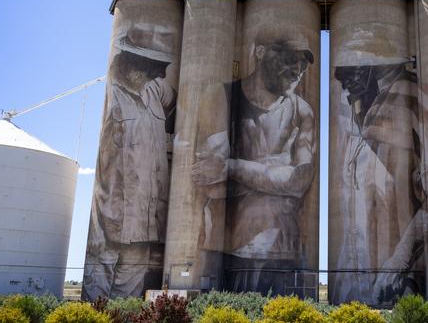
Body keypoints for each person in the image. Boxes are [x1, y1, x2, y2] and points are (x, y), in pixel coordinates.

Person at [192, 36, 316, 296]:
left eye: (303, 66)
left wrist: (232, 167)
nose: (298, 71)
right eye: (290, 59)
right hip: (229, 249)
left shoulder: (302, 111)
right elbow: (212, 186)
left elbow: (300, 180)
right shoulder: (222, 97)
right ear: (260, 52)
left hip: (286, 250)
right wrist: (277, 168)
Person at [332, 60, 428, 306]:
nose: (348, 84)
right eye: (344, 81)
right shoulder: (359, 117)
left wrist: (398, 263)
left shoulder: (413, 95)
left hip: (402, 278)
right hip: (359, 282)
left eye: (355, 72)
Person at [82, 24, 177, 300]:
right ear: (135, 64)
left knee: (129, 295)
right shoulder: (115, 100)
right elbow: (106, 170)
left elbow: (179, 96)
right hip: (112, 220)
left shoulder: (154, 92)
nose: (159, 73)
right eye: (154, 67)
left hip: (145, 220)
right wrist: (98, 225)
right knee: (98, 289)